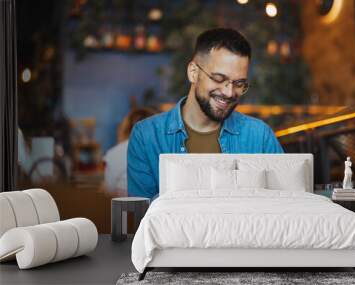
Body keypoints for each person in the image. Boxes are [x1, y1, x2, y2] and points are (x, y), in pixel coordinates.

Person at [128, 28, 284, 199]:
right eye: (218, 78)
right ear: (193, 73)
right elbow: (142, 218)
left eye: (239, 83)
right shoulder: (147, 136)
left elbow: (284, 208)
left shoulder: (260, 136)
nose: (229, 92)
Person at [103, 108, 156, 195]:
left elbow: (109, 188)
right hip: (156, 205)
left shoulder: (115, 152)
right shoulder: (160, 148)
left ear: (125, 127)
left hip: (125, 205)